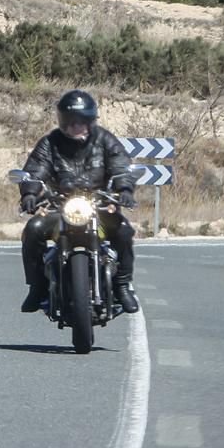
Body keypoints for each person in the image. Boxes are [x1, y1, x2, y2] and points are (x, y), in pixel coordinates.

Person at [18, 89, 139, 314]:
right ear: (63, 121)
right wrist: (29, 194)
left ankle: (122, 285)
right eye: (71, 121)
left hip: (98, 205)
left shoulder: (104, 140)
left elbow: (121, 166)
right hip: (60, 206)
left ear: (91, 121)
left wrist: (124, 190)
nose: (77, 126)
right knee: (33, 229)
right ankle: (37, 286)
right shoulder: (50, 143)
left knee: (123, 230)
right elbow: (36, 170)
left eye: (82, 121)